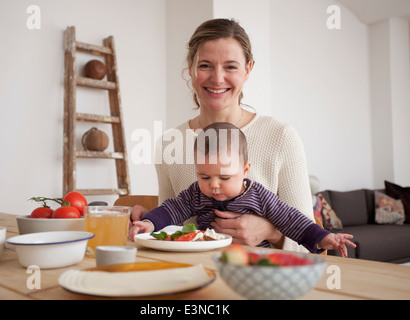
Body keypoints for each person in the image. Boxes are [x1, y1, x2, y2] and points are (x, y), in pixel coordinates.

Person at [131, 18, 315, 252]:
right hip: (193, 275)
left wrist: (272, 233)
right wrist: (147, 223)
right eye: (205, 65)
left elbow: (311, 247)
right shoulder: (169, 143)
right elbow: (173, 228)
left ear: (248, 69)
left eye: (230, 66)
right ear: (190, 69)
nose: (217, 79)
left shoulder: (281, 137)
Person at [130, 123, 356, 257]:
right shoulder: (197, 193)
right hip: (208, 260)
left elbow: (291, 219)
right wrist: (148, 223)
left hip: (254, 262)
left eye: (225, 177)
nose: (214, 185)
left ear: (245, 170)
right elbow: (171, 210)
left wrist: (323, 238)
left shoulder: (259, 195)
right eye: (204, 176)